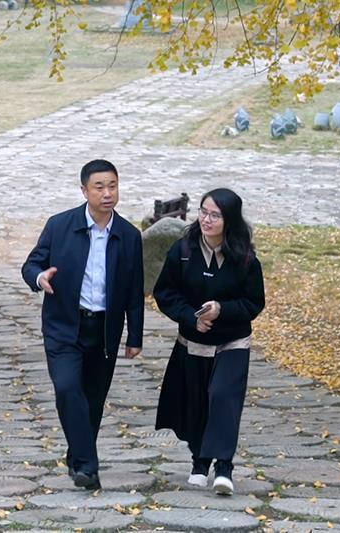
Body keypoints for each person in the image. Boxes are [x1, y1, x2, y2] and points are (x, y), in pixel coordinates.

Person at [21, 159, 144, 490]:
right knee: (67, 388)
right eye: (99, 187)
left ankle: (77, 457)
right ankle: (88, 465)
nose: (107, 193)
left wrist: (135, 335)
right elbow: (31, 265)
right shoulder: (60, 226)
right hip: (64, 325)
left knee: (92, 399)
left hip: (104, 330)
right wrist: (39, 277)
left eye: (112, 186)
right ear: (84, 190)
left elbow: (134, 290)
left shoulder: (129, 236)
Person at [152, 188, 265, 495]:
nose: (207, 219)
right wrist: (192, 317)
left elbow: (254, 303)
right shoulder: (183, 250)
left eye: (215, 215)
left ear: (230, 220)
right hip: (193, 341)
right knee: (197, 401)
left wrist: (221, 310)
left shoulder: (245, 258)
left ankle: (224, 467)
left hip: (232, 342)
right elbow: (165, 293)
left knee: (223, 397)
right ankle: (199, 462)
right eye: (203, 212)